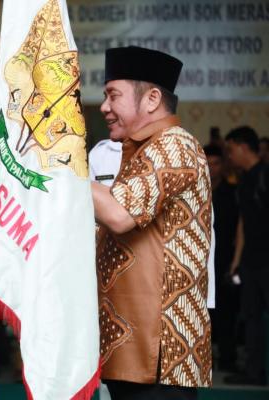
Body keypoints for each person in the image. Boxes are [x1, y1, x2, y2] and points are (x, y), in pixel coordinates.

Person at [91, 46, 212, 399]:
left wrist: (57, 172)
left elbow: (119, 214)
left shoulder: (174, 145)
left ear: (152, 99)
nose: (105, 107)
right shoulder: (145, 148)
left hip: (160, 354)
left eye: (113, 95)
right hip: (137, 350)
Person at [224, 126, 269, 386]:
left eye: (231, 150)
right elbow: (243, 222)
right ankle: (254, 372)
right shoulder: (243, 180)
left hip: (267, 261)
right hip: (251, 262)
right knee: (251, 317)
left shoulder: (265, 174)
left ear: (242, 147)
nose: (230, 156)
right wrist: (236, 261)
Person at [204, 144, 239, 372]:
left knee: (227, 313)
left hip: (226, 259)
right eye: (208, 162)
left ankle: (228, 360)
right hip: (203, 260)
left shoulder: (232, 192)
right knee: (205, 313)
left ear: (223, 165)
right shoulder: (198, 189)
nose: (211, 168)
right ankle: (206, 360)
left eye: (216, 163)